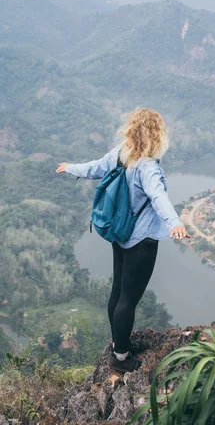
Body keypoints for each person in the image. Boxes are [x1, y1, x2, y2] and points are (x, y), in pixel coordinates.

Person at [56, 108, 190, 373]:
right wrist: (174, 221)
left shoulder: (121, 153)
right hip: (141, 242)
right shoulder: (148, 166)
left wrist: (70, 168)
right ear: (157, 135)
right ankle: (121, 357)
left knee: (118, 293)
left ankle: (121, 342)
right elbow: (158, 197)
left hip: (120, 235)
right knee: (128, 299)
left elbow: (94, 168)